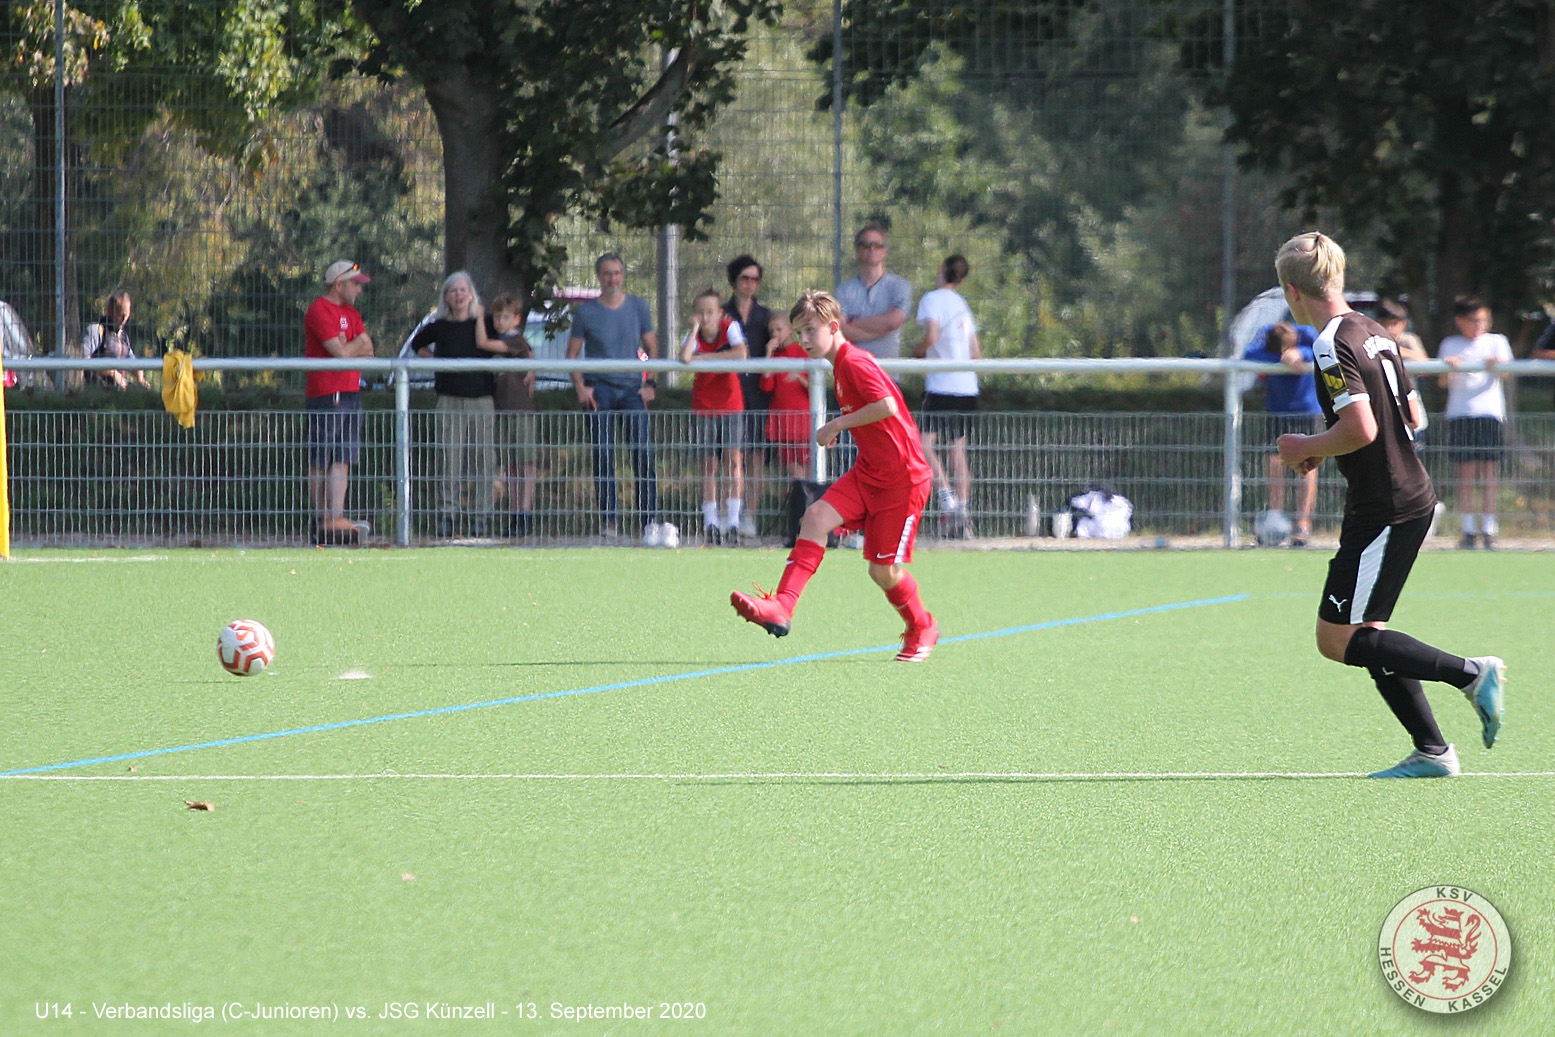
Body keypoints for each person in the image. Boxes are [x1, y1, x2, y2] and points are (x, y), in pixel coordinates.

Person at [1273, 231, 1504, 779]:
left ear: (1291, 290)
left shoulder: (1329, 343)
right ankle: (1433, 751)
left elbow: (1362, 427)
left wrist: (1305, 446)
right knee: (1369, 629)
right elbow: (1412, 417)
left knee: (1337, 639)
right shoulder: (1375, 331)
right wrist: (1329, 447)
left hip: (1386, 506)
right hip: (1406, 495)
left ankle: (1471, 674)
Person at [731, 290, 937, 662]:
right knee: (815, 517)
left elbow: (887, 405)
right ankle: (782, 606)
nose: (804, 339)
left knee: (882, 572)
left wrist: (837, 424)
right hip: (869, 473)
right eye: (799, 333)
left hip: (902, 480)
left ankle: (922, 626)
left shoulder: (854, 361)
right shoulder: (839, 365)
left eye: (810, 330)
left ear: (833, 326)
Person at [567, 253, 662, 543]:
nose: (613, 278)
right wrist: (581, 388)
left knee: (643, 454)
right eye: (608, 273)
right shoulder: (586, 313)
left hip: (632, 389)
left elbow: (652, 348)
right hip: (600, 390)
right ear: (599, 276)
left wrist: (651, 384)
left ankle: (649, 521)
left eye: (618, 272)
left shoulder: (638, 306)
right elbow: (571, 355)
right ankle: (609, 521)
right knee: (603, 455)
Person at [412, 271, 507, 538]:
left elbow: (508, 342)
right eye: (453, 290)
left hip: (481, 399)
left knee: (484, 459)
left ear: (472, 294)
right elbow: (417, 344)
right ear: (446, 296)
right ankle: (447, 515)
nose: (459, 295)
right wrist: (436, 362)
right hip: (449, 399)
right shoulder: (440, 326)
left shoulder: (486, 324)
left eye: (463, 289)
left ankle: (481, 517)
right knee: (449, 458)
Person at [303, 260, 375, 544]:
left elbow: (369, 349)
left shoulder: (352, 313)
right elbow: (341, 353)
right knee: (321, 458)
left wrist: (349, 344)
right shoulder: (319, 310)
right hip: (326, 393)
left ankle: (336, 519)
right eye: (355, 284)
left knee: (343, 458)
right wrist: (353, 346)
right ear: (338, 284)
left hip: (350, 392)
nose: (359, 289)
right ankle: (322, 520)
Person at [913, 254, 981, 538]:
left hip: (942, 385)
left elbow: (931, 335)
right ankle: (963, 515)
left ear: (941, 269)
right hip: (967, 385)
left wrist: (916, 353)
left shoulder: (932, 299)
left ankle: (947, 500)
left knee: (922, 445)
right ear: (962, 281)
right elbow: (975, 352)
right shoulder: (962, 304)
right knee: (957, 450)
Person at [1437, 296, 1513, 549]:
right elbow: (1442, 383)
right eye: (1474, 320)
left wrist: (1497, 366)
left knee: (1489, 473)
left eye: (1484, 320)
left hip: (1490, 414)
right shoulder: (1450, 344)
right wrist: (1450, 369)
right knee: (1466, 474)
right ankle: (1468, 530)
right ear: (1460, 321)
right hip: (1460, 414)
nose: (1480, 325)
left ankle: (1490, 529)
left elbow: (1507, 373)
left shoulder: (1497, 341)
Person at [1243, 320, 1322, 546]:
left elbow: (1324, 351)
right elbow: (1249, 354)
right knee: (1275, 463)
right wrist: (1280, 358)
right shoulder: (1266, 332)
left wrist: (1301, 353)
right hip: (1278, 411)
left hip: (1308, 411)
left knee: (1308, 466)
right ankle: (1276, 522)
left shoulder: (1308, 332)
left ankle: (1302, 526)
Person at [679, 288, 748, 544]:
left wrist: (707, 357)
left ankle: (733, 521)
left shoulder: (730, 328)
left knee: (734, 461)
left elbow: (741, 354)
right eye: (700, 312)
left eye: (710, 312)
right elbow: (686, 357)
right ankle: (711, 522)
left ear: (720, 313)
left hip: (731, 403)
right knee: (709, 464)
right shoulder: (693, 335)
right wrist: (695, 329)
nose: (706, 317)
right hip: (704, 405)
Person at [724, 255, 772, 538]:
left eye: (755, 279)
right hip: (728, 393)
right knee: (730, 457)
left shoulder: (766, 317)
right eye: (745, 278)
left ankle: (750, 516)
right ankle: (727, 514)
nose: (750, 284)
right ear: (734, 281)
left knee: (756, 457)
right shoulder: (721, 313)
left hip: (757, 394)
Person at [489, 294, 539, 538]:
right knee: (510, 465)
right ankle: (514, 512)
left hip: (520, 408)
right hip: (501, 409)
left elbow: (487, 345)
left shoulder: (516, 341)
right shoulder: (498, 339)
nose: (500, 321)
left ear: (517, 319)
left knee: (525, 462)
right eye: (497, 317)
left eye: (506, 317)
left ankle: (524, 511)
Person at [836, 223, 913, 365]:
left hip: (888, 371)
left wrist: (856, 322)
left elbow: (894, 321)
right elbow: (841, 330)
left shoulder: (899, 285)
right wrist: (882, 329)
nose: (872, 249)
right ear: (857, 250)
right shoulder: (844, 290)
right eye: (866, 245)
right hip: (855, 368)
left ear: (885, 251)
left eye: (878, 245)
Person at [760, 314, 812, 480]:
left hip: (803, 420)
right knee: (792, 467)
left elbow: (815, 387)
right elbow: (766, 386)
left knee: (809, 466)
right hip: (783, 420)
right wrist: (768, 353)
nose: (775, 334)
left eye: (779, 329)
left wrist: (800, 378)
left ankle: (808, 494)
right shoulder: (775, 358)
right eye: (771, 331)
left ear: (790, 330)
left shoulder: (802, 353)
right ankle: (800, 493)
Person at [81, 291, 148, 390]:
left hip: (119, 392)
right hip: (98, 391)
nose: (124, 319)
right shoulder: (96, 331)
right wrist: (111, 372)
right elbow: (83, 360)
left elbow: (133, 363)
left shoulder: (123, 337)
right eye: (121, 314)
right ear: (110, 310)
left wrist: (141, 379)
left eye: (126, 315)